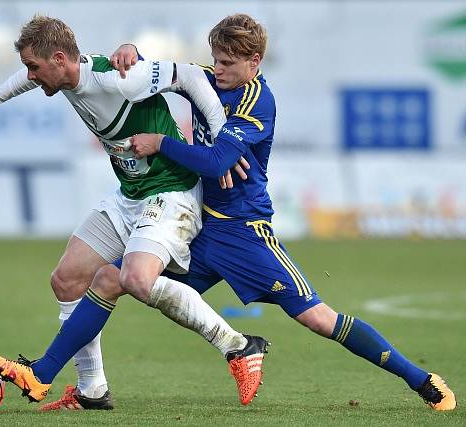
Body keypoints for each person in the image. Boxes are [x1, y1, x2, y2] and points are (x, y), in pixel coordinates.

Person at [22, 13, 456, 411]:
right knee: (109, 279)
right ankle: (49, 376)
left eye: (228, 62)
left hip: (244, 233)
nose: (219, 70)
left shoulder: (256, 103)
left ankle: (419, 379)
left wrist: (162, 144)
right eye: (215, 60)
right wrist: (131, 50)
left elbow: (214, 164)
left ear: (255, 61)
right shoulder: (209, 81)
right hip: (199, 227)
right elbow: (152, 75)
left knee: (319, 319)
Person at [0, 14, 269, 409]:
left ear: (58, 59)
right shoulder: (64, 74)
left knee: (133, 279)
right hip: (130, 195)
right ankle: (92, 390)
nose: (31, 76)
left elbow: (188, 75)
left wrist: (224, 136)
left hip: (170, 192)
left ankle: (238, 346)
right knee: (67, 279)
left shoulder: (118, 78)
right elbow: (25, 79)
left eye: (34, 67)